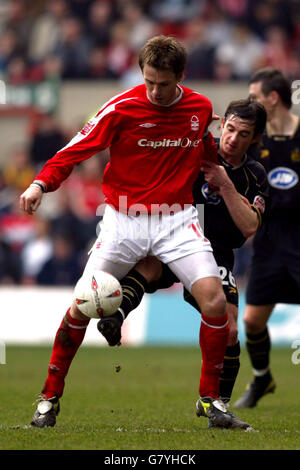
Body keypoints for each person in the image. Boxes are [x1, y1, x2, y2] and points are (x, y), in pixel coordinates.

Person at [20, 35, 239, 429]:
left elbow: (204, 149)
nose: (155, 91)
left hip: (177, 219)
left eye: (163, 83)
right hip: (123, 220)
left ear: (181, 77)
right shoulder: (120, 108)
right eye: (149, 81)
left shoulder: (200, 107)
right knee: (80, 307)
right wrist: (40, 184)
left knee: (216, 303)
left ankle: (211, 402)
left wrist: (222, 171)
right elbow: (75, 149)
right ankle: (48, 399)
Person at [99, 98, 268, 429]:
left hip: (216, 252)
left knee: (232, 331)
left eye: (243, 134)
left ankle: (216, 405)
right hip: (176, 235)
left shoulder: (255, 174)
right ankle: (115, 316)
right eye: (230, 129)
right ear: (223, 125)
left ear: (255, 139)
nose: (232, 138)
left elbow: (249, 227)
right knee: (149, 265)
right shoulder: (198, 148)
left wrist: (226, 185)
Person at [233, 68, 300, 408]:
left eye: (255, 97)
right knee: (252, 320)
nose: (250, 103)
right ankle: (262, 379)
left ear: (273, 99)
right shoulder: (253, 140)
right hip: (269, 241)